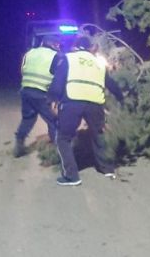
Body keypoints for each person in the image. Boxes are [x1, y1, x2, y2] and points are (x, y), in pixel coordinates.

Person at [47, 36, 123, 186]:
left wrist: (51, 101)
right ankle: (107, 169)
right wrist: (121, 99)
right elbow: (111, 84)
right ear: (91, 48)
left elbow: (58, 82)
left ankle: (72, 176)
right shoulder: (99, 64)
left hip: (72, 102)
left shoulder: (69, 58)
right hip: (95, 104)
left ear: (76, 46)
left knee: (63, 138)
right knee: (98, 136)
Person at [13, 35, 61, 158]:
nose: (59, 47)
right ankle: (57, 150)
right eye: (58, 45)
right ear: (54, 44)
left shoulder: (29, 53)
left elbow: (22, 70)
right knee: (53, 120)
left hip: (26, 91)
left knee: (28, 118)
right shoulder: (54, 56)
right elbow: (58, 78)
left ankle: (19, 144)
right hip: (42, 93)